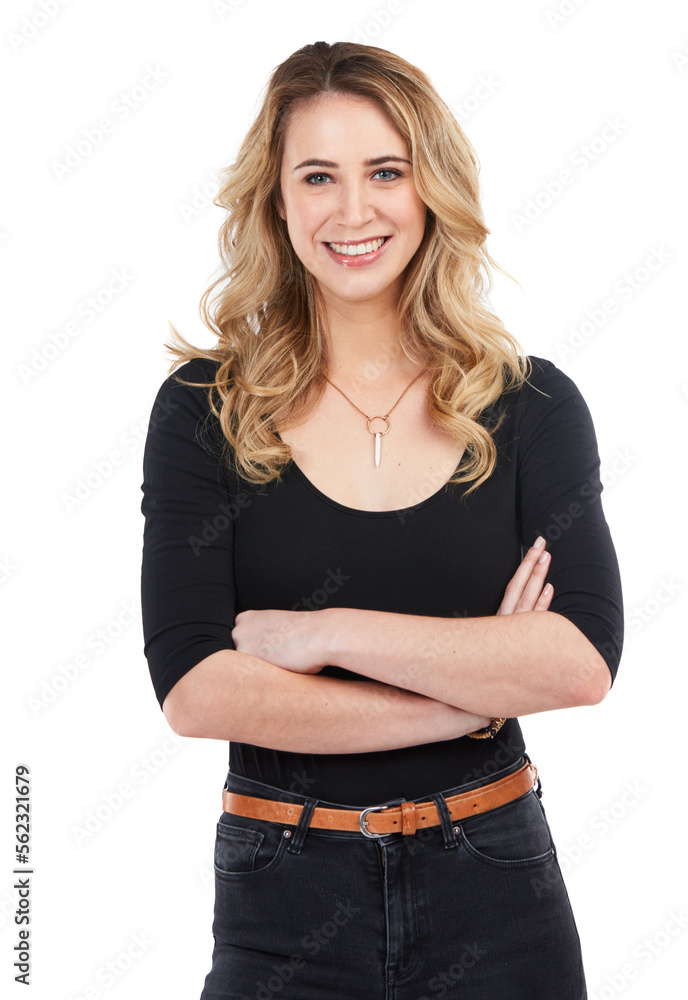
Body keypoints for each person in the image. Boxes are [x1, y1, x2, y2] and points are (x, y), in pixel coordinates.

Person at [140, 40, 624, 1000]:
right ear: (275, 201)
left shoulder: (531, 407)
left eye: (386, 172)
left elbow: (578, 663)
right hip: (281, 886)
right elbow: (197, 689)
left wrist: (323, 633)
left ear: (430, 188)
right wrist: (467, 692)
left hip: (497, 883)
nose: (352, 211)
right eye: (318, 175)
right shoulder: (206, 407)